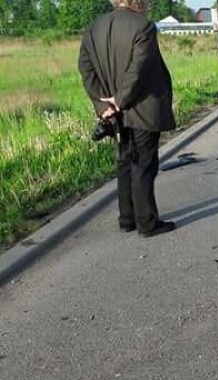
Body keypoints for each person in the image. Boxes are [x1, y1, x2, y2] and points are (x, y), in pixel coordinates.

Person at [78, 0, 177, 238]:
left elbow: (85, 67)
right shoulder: (143, 27)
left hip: (114, 111)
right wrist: (119, 101)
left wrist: (104, 105)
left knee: (125, 161)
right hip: (142, 107)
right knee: (143, 164)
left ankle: (127, 218)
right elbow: (138, 69)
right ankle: (147, 222)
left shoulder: (93, 28)